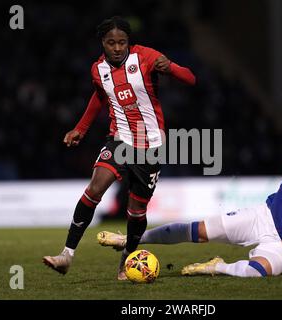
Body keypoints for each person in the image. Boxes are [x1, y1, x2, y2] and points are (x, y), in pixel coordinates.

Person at [98, 130, 282, 277]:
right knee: (197, 231)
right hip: (266, 217)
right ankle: (129, 239)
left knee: (258, 273)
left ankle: (218, 266)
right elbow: (281, 202)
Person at [43, 16, 196, 280]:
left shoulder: (146, 57)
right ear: (102, 42)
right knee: (94, 188)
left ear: (129, 42)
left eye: (122, 42)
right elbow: (100, 96)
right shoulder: (97, 69)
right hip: (120, 140)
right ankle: (66, 255)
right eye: (111, 42)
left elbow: (191, 79)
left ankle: (127, 260)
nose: (117, 47)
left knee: (136, 211)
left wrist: (171, 67)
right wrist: (81, 128)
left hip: (151, 146)